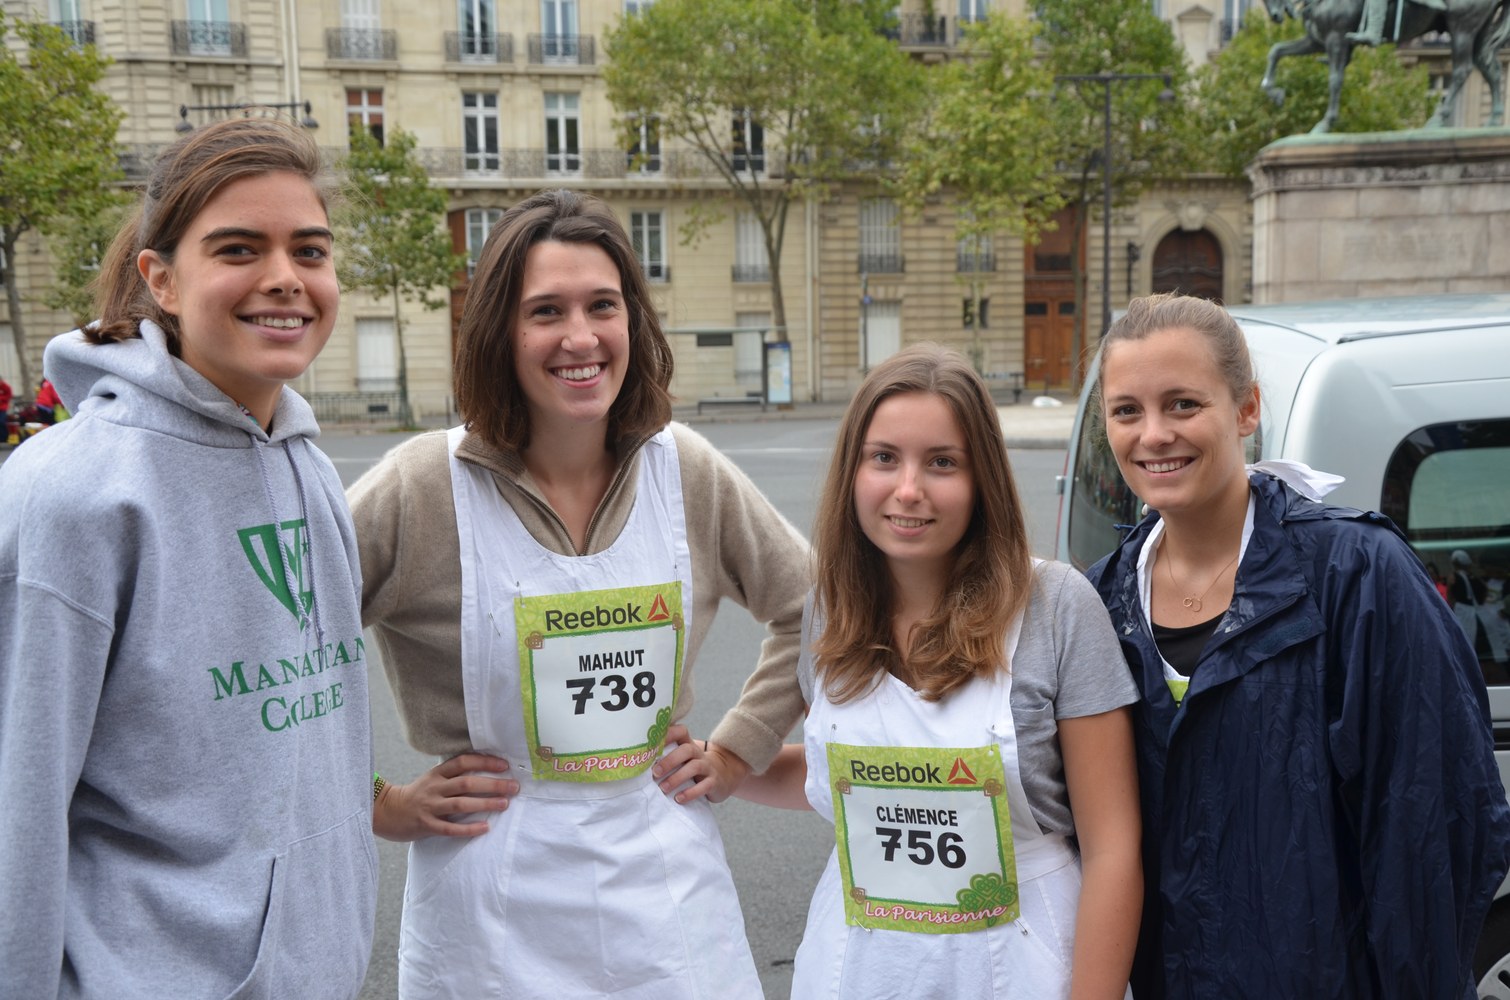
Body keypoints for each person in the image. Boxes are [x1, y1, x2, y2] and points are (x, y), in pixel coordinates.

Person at [347, 188, 810, 999]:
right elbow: (272, 656)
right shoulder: (422, 487)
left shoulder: (684, 469)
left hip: (666, 894)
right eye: (545, 312)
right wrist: (377, 802)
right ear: (498, 333)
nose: (581, 337)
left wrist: (740, 751)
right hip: (489, 901)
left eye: (603, 305)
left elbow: (818, 609)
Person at [0, 117, 376, 997]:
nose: (285, 277)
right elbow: (17, 809)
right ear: (161, 279)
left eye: (310, 251)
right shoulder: (69, 494)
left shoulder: (312, 469)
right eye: (239, 249)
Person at [681, 343, 1142, 999]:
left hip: (1023, 965)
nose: (908, 490)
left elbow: (1113, 849)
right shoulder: (828, 611)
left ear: (983, 478)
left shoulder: (1057, 608)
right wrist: (720, 766)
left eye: (942, 462)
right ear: (852, 471)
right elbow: (859, 779)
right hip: (859, 968)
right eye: (884, 458)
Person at [1083, 292, 1510, 999]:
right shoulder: (1101, 603)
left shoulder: (1357, 576)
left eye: (1184, 404)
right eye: (1127, 410)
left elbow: (1435, 829)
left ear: (1247, 409)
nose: (1154, 434)